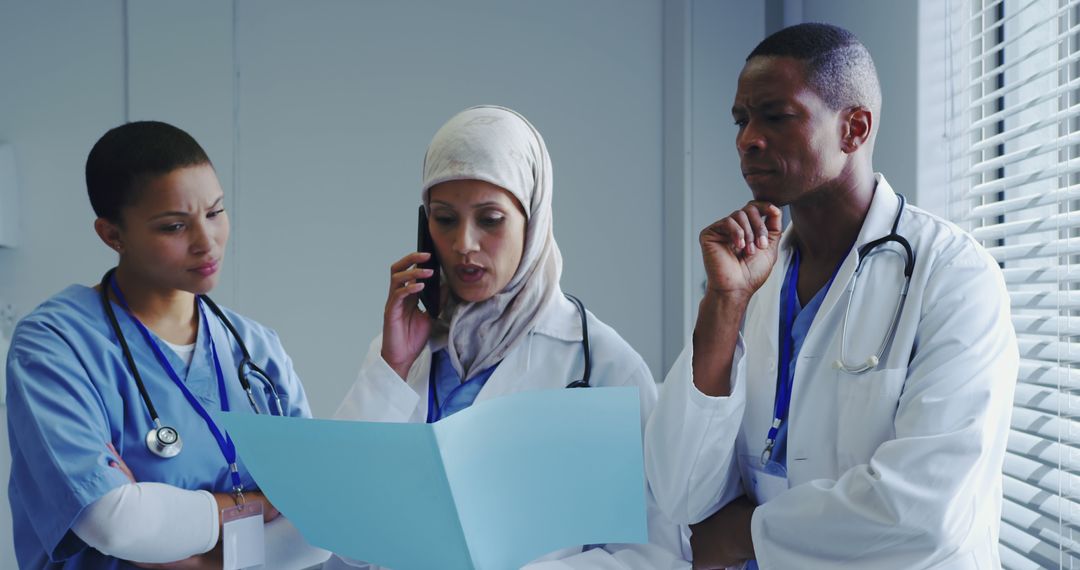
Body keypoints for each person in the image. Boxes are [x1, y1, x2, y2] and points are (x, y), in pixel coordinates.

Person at [643, 23, 1018, 569]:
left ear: (854, 128)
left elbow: (923, 514)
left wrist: (747, 532)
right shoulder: (754, 278)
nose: (747, 138)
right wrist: (723, 304)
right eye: (741, 120)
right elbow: (679, 490)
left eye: (776, 115)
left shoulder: (954, 276)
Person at [325, 105, 690, 569]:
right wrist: (390, 370)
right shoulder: (402, 352)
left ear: (532, 219)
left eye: (490, 219)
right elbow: (339, 526)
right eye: (445, 219)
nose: (464, 245)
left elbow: (654, 554)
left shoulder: (601, 365)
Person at [6, 121, 312, 569]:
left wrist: (169, 535)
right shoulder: (56, 346)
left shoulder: (255, 348)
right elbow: (114, 524)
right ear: (113, 235)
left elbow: (318, 520)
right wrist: (262, 507)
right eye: (174, 226)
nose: (207, 243)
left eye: (215, 212)